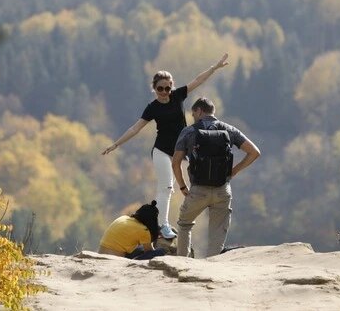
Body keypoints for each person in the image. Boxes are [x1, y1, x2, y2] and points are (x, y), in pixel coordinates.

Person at [101, 54, 229, 240]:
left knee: (187, 183)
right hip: (161, 150)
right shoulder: (152, 107)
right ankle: (163, 226)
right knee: (167, 187)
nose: (164, 92)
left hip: (179, 150)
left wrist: (214, 68)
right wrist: (116, 144)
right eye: (160, 88)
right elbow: (136, 128)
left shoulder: (177, 96)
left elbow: (197, 81)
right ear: (154, 88)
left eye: (168, 88)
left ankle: (180, 220)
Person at [171, 97, 261, 258]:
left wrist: (183, 186)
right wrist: (234, 171)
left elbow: (175, 162)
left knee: (184, 224)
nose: (193, 117)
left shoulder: (189, 131)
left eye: (193, 114)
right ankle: (212, 266)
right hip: (222, 190)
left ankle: (182, 263)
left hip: (198, 190)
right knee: (217, 232)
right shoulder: (229, 130)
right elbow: (254, 152)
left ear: (199, 111)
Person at [98, 200, 167, 260]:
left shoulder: (124, 217)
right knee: (161, 251)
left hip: (101, 253)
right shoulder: (144, 230)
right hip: (115, 259)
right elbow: (149, 251)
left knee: (140, 249)